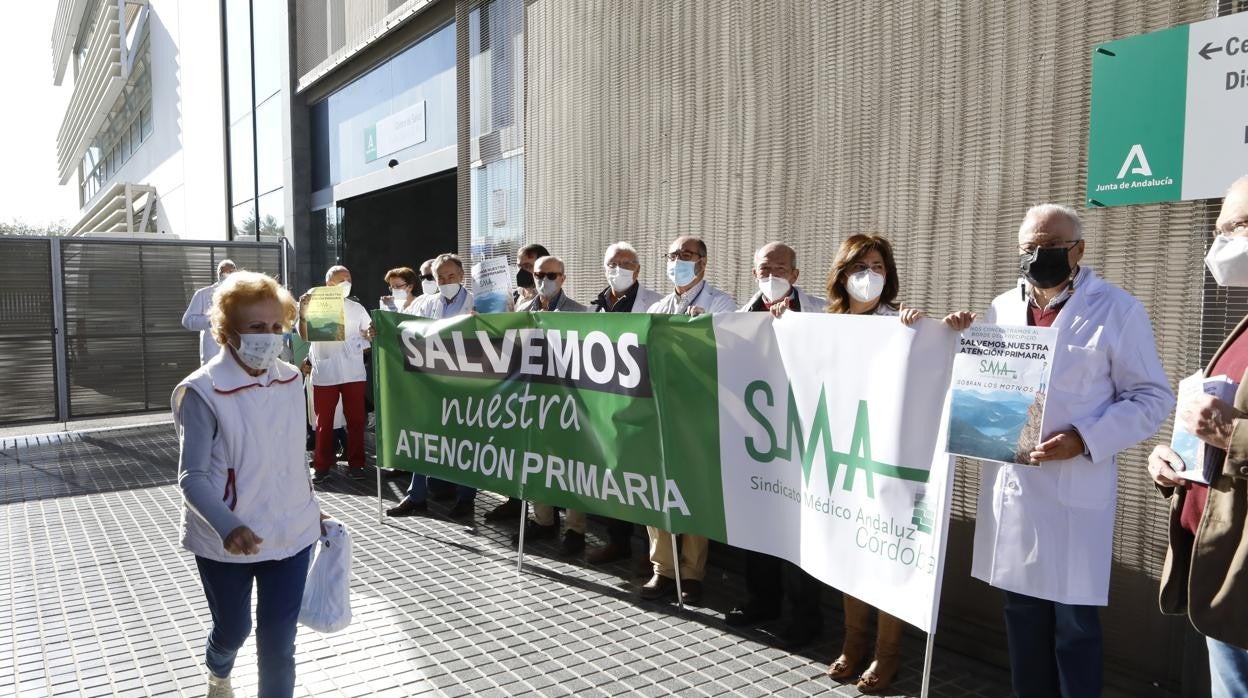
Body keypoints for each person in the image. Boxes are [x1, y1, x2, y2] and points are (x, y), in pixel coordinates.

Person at [972, 204, 1173, 698]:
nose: (1038, 256)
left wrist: (1084, 439)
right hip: (1016, 489)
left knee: (1074, 626)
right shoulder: (1000, 308)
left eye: (1050, 247)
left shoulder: (1117, 310)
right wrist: (959, 338)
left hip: (1072, 491)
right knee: (1020, 614)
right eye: (1029, 247)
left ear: (1078, 249)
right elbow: (984, 386)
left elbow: (1152, 397)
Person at [172, 271, 324, 698]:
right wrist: (229, 526)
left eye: (276, 327)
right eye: (256, 327)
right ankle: (218, 673)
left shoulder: (293, 379)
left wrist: (313, 508)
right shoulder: (204, 391)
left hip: (291, 533)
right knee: (233, 629)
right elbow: (192, 477)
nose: (268, 337)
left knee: (278, 643)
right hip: (225, 539)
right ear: (228, 330)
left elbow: (292, 458)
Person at [815, 234, 939, 693]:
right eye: (860, 265)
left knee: (887, 552)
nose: (869, 274)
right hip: (840, 455)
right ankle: (853, 644)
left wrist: (928, 331)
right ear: (843, 273)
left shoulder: (901, 323)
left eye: (878, 266)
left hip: (889, 459)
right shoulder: (825, 323)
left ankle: (888, 656)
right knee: (852, 552)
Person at [1147, 175, 1248, 697]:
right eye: (1219, 230)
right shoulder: (1245, 324)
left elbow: (1233, 431)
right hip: (1220, 570)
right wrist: (1175, 461)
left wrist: (1230, 431)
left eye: (1238, 226)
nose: (1222, 243)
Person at [723, 242, 827, 649]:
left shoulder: (821, 312)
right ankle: (762, 601)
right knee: (759, 524)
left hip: (805, 437)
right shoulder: (737, 318)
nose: (772, 275)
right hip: (755, 437)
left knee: (800, 530)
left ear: (796, 275)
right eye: (764, 269)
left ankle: (806, 617)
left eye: (781, 268)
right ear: (754, 275)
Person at [640, 235, 737, 606]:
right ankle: (662, 570)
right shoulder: (660, 306)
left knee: (694, 491)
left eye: (686, 255)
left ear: (703, 262)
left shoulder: (721, 303)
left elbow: (732, 347)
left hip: (700, 413)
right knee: (656, 489)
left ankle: (692, 574)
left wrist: (709, 325)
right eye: (673, 255)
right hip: (661, 411)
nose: (678, 260)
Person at [584, 242, 663, 565]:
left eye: (627, 263)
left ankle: (649, 555)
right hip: (606, 405)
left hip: (643, 404)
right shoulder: (595, 306)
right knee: (612, 477)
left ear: (638, 269)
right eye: (613, 263)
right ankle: (617, 542)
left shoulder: (656, 304)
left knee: (643, 480)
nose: (619, 269)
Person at [386, 254, 479, 519]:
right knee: (424, 438)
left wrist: (483, 324)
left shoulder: (478, 303)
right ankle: (416, 497)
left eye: (451, 276)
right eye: (440, 277)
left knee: (465, 442)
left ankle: (466, 499)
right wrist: (377, 329)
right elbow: (402, 327)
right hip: (431, 383)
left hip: (466, 385)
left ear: (462, 276)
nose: (445, 281)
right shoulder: (426, 303)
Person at [511, 255, 589, 553]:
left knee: (569, 466)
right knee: (535, 462)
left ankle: (575, 529)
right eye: (540, 274)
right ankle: (543, 521)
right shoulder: (522, 310)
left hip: (568, 402)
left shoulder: (580, 312)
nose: (545, 280)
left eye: (552, 275)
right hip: (532, 401)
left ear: (563, 278)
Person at [487, 243, 553, 524]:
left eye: (527, 266)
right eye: (520, 266)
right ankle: (514, 502)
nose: (522, 272)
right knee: (514, 450)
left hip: (544, 391)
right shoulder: (518, 301)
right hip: (516, 387)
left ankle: (546, 518)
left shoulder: (559, 302)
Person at [299, 266, 373, 484]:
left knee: (356, 420)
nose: (347, 283)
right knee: (324, 422)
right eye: (342, 279)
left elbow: (369, 337)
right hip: (325, 371)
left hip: (353, 372)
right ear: (329, 284)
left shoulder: (357, 308)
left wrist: (368, 337)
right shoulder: (313, 303)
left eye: (349, 278)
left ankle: (357, 463)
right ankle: (322, 466)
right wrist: (304, 312)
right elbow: (304, 336)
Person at [183, 260, 236, 365]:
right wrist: (211, 320)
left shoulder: (243, 296)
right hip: (213, 353)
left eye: (230, 272)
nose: (226, 275)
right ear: (218, 274)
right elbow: (187, 321)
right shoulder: (203, 294)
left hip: (236, 352)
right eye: (223, 272)